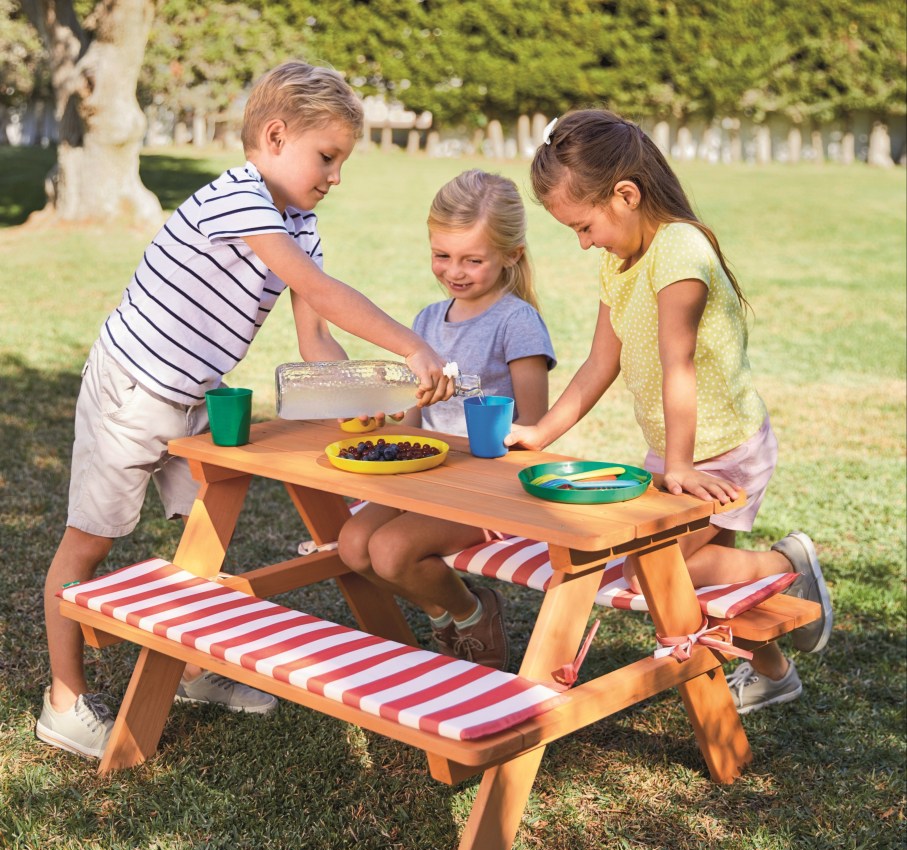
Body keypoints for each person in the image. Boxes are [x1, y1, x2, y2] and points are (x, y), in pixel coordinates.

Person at [36, 61, 454, 760]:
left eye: (341, 162)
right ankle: (64, 699)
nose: (334, 176)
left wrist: (361, 398)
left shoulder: (300, 222)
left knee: (206, 527)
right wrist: (410, 346)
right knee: (89, 543)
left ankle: (194, 670)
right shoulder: (237, 199)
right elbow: (316, 288)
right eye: (327, 156)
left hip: (193, 395)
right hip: (133, 386)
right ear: (274, 134)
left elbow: (314, 331)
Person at [505, 109, 833, 713]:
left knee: (655, 574)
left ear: (625, 195)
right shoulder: (619, 261)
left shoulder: (680, 250)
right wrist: (539, 432)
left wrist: (679, 464)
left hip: (723, 447)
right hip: (679, 451)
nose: (584, 243)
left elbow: (677, 361)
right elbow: (600, 362)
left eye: (584, 226)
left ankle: (782, 564)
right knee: (678, 577)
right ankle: (774, 670)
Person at [337, 169, 556, 670]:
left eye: (472, 260)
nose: (454, 271)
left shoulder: (516, 322)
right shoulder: (426, 322)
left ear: (510, 256)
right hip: (427, 479)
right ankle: (447, 611)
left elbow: (537, 427)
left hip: (489, 488)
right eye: (442, 255)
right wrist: (383, 424)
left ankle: (472, 611)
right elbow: (412, 424)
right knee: (353, 545)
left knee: (391, 551)